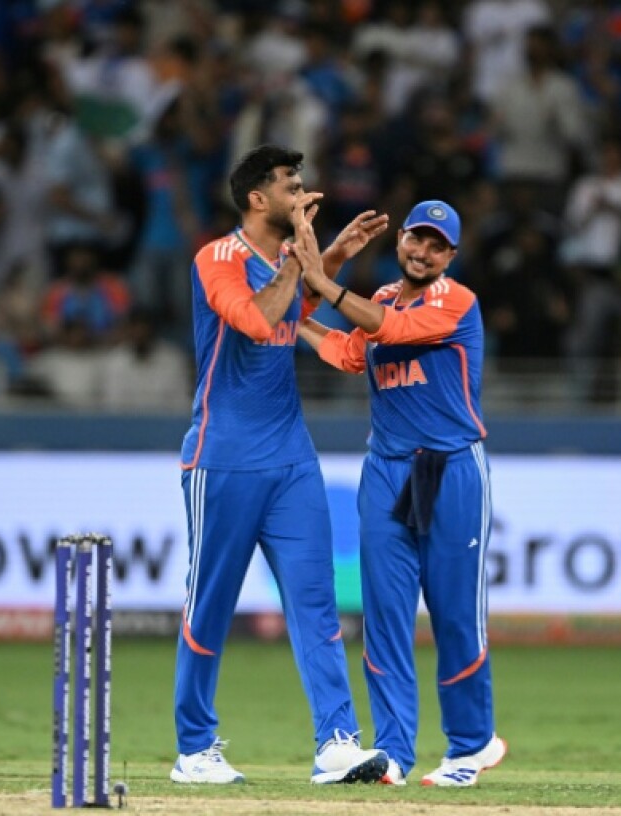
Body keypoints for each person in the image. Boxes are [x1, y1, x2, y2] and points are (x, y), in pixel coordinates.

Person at [173, 144, 392, 785]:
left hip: (292, 458)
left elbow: (294, 315)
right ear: (257, 199)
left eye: (303, 185)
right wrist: (305, 257)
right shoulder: (216, 258)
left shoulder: (283, 261)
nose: (302, 195)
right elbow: (254, 319)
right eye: (290, 186)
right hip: (224, 458)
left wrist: (333, 257)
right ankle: (193, 749)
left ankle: (336, 743)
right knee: (209, 605)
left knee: (317, 603)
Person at [295, 199, 506, 788]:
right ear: (401, 242)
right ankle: (392, 751)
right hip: (387, 468)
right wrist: (297, 320)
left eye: (436, 245)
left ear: (451, 257)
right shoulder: (381, 298)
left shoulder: (456, 302)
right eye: (416, 239)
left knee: (454, 614)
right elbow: (351, 352)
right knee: (386, 616)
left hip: (446, 468)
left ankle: (469, 746)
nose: (423, 251)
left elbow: (393, 331)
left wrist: (323, 285)